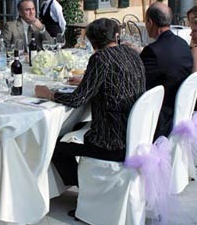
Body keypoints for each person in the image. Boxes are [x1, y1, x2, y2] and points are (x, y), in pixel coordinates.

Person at [35, 18, 146, 187]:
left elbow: (77, 99)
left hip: (112, 142)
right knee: (74, 128)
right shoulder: (131, 53)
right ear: (115, 36)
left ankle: (85, 190)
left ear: (91, 41)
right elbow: (116, 78)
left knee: (55, 145)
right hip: (135, 133)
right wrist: (87, 80)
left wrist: (49, 94)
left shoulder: (100, 58)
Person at [138, 2, 192, 140]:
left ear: (150, 22)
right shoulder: (183, 43)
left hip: (160, 115)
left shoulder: (152, 51)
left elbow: (137, 81)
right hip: (179, 107)